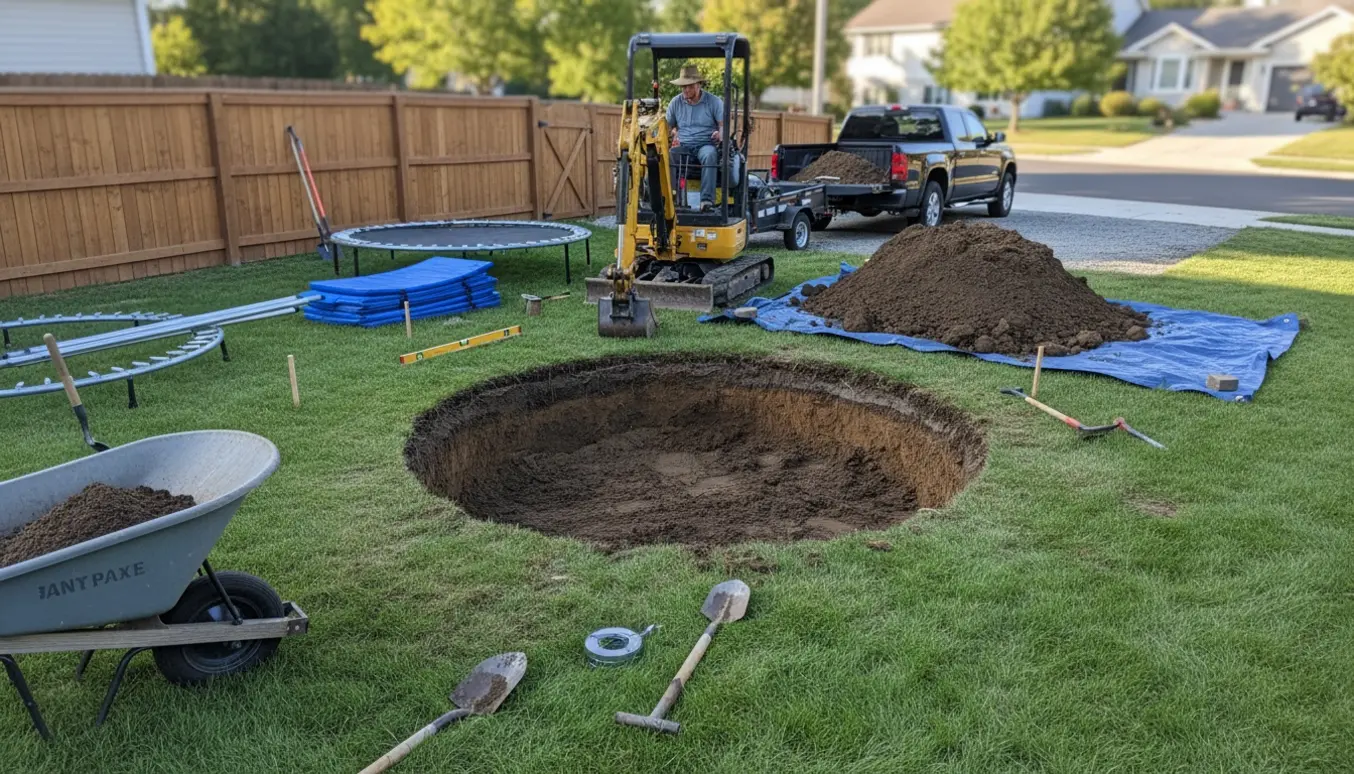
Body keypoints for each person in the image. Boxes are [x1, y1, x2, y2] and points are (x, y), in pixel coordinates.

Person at [665, 64, 724, 211]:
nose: (685, 90)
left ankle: (706, 202)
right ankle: (673, 199)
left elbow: (723, 125)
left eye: (689, 86)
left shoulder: (714, 102)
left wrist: (720, 133)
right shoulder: (675, 103)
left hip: (705, 144)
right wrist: (669, 136)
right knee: (670, 156)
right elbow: (666, 127)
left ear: (698, 85)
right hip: (685, 146)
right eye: (683, 86)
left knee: (710, 154)